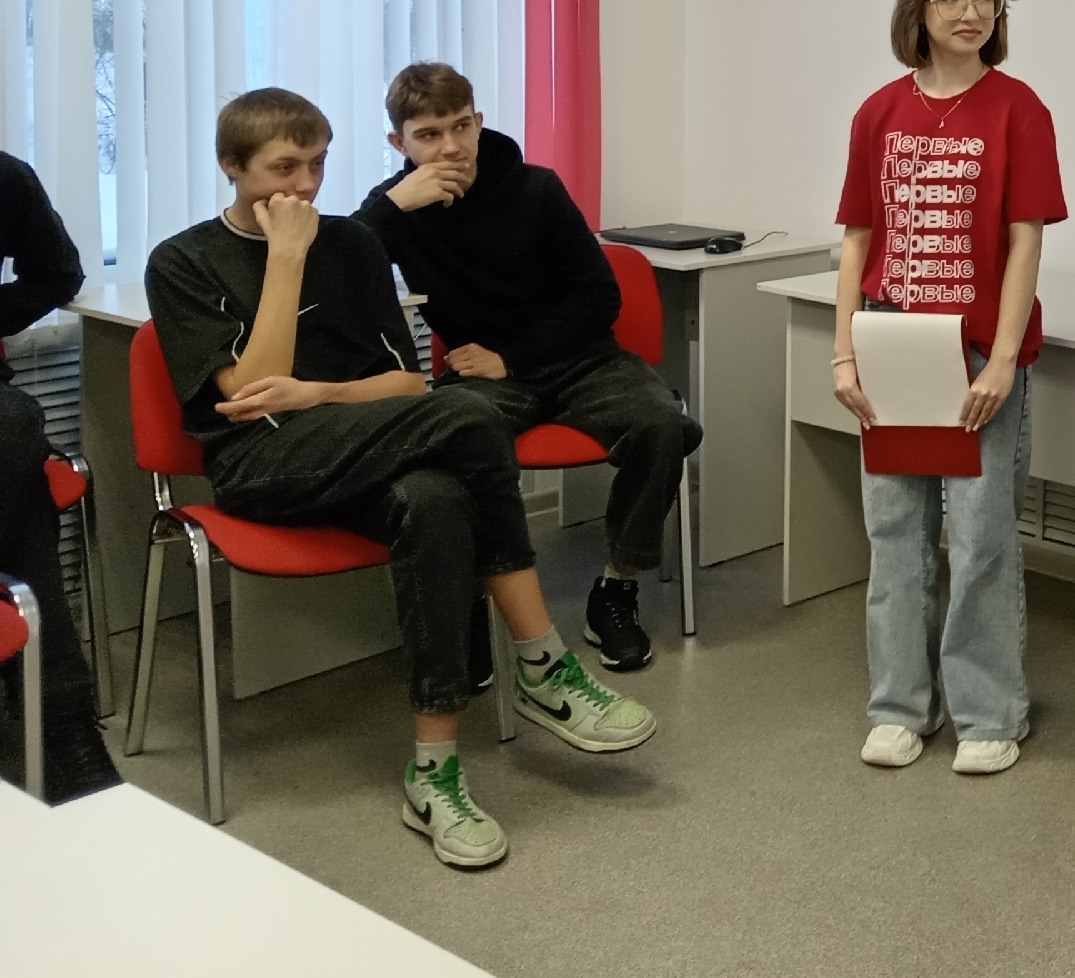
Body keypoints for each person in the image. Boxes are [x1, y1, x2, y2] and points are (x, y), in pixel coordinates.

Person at [145, 88, 658, 870]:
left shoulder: (351, 244)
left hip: (360, 442)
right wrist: (286, 258)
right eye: (284, 168)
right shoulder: (182, 261)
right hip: (262, 466)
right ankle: (542, 661)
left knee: (436, 497)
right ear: (231, 167)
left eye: (318, 164)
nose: (305, 186)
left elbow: (406, 385)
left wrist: (320, 392)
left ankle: (433, 774)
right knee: (473, 414)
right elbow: (252, 398)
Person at [356, 62, 703, 673]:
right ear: (398, 143)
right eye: (428, 135)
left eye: (460, 126)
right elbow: (336, 273)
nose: (450, 147)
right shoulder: (398, 207)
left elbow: (598, 296)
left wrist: (511, 355)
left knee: (660, 424)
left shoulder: (536, 189)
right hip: (486, 377)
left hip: (581, 358)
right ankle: (467, 606)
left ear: (478, 121)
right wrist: (391, 206)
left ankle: (616, 589)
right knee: (447, 444)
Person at [831, 0, 1066, 778]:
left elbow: (1025, 240)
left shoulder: (1019, 110)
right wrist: (844, 354)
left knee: (979, 537)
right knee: (895, 532)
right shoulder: (878, 113)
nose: (971, 14)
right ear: (918, 10)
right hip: (892, 342)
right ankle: (899, 706)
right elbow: (859, 239)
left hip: (974, 354)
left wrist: (1002, 361)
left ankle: (988, 711)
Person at [0, 151, 119, 802]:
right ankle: (64, 722)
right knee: (21, 480)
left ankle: (61, 715)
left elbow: (57, 272)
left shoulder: (4, 177)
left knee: (14, 430)